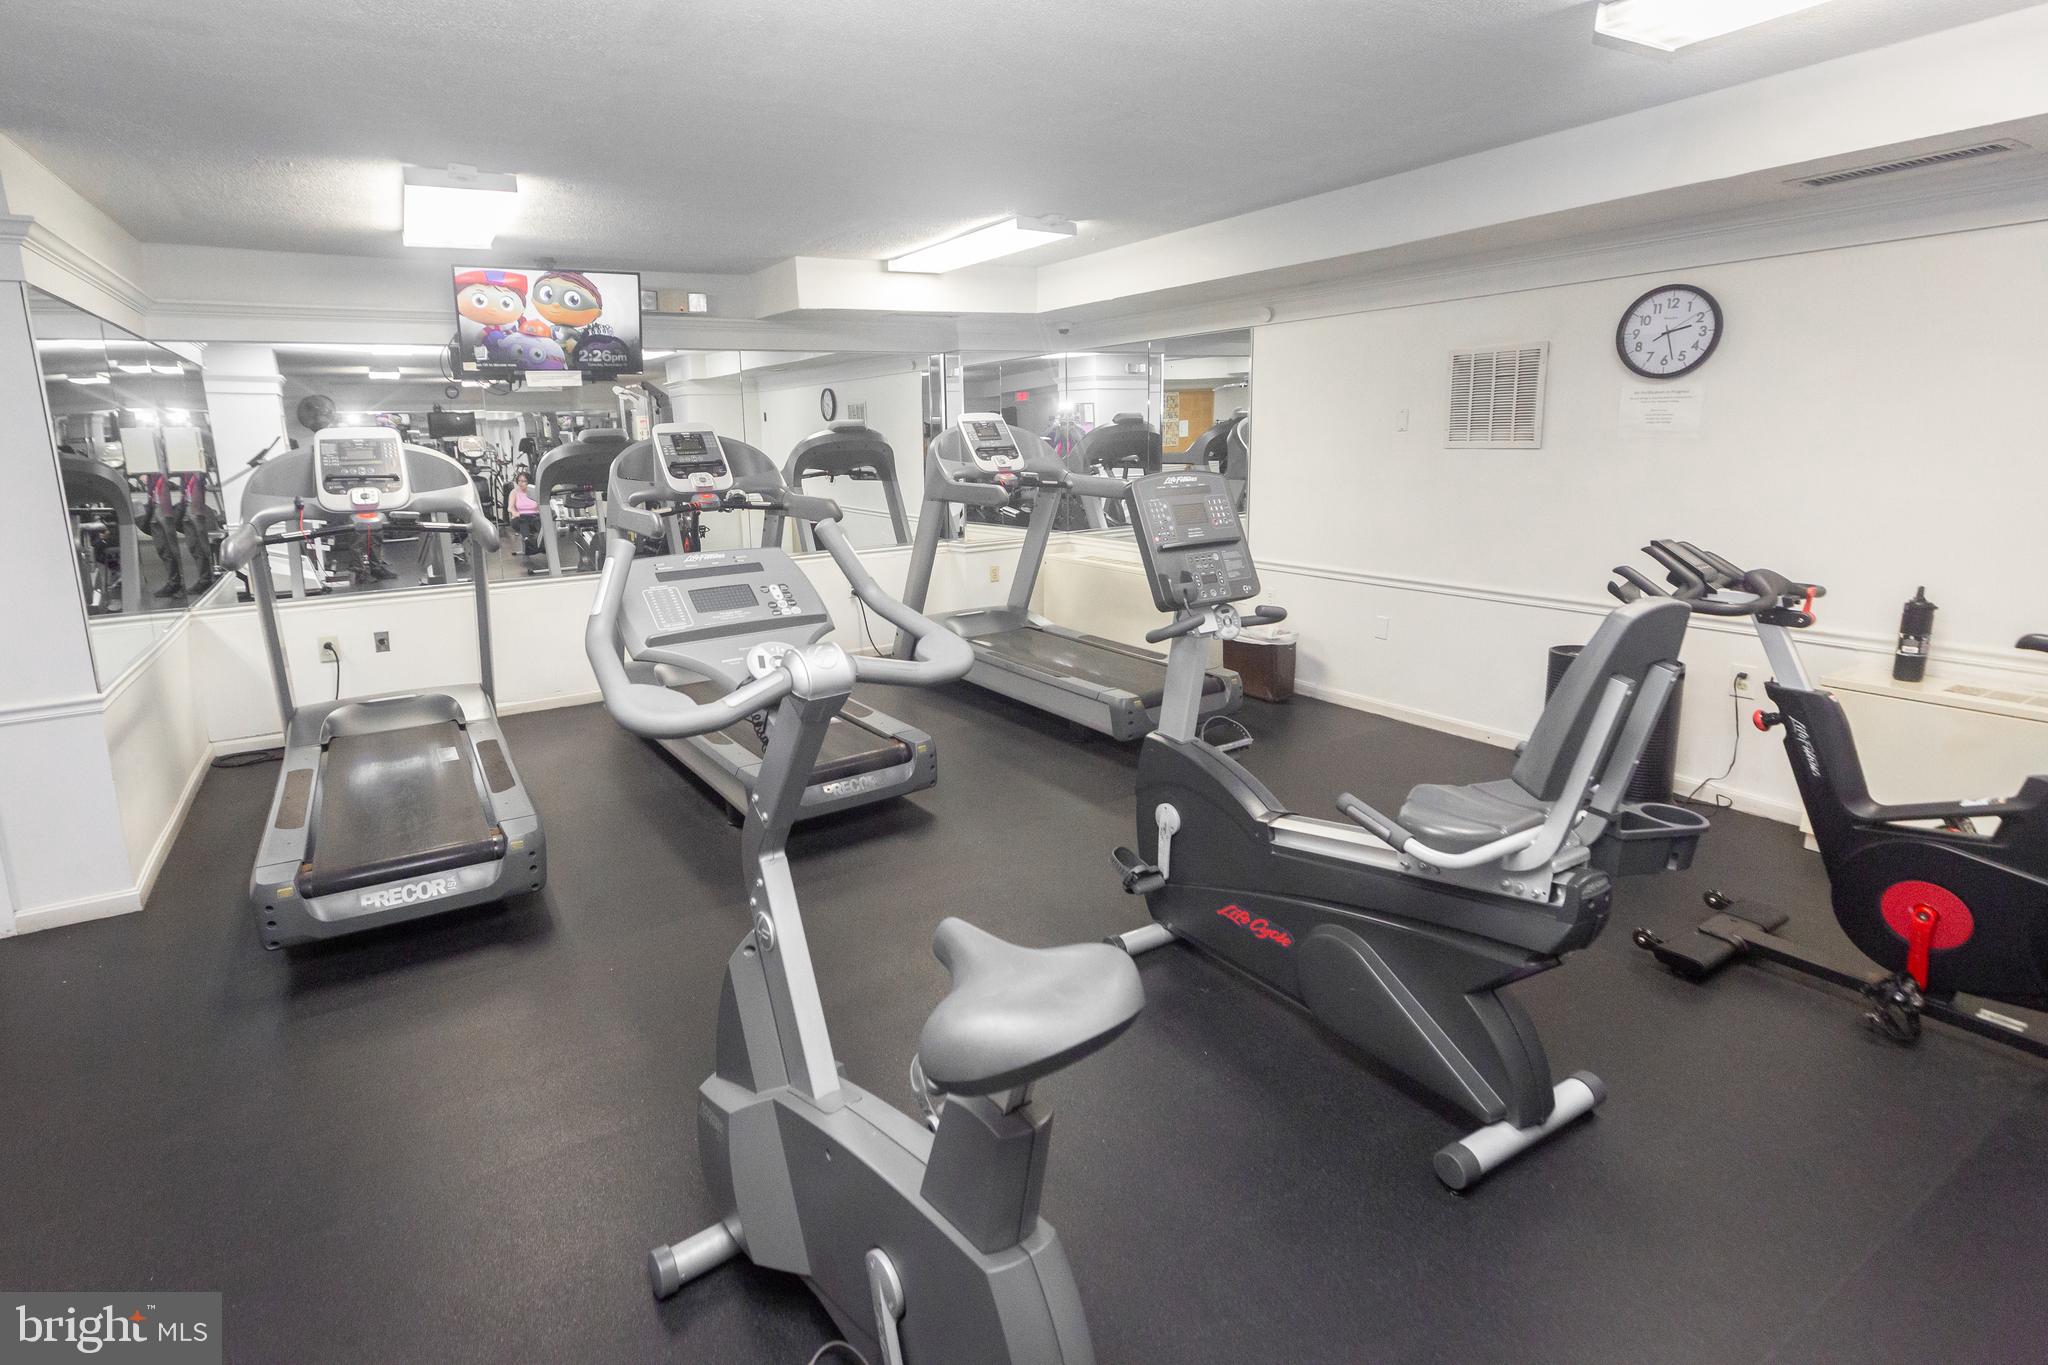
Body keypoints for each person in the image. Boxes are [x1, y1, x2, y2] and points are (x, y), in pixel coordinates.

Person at [507, 471, 543, 558]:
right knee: (523, 520)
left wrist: (538, 513)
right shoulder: (514, 492)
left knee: (539, 522)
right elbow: (510, 508)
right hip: (519, 518)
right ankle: (527, 542)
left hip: (534, 517)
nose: (521, 483)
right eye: (519, 481)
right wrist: (516, 513)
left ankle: (543, 543)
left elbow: (540, 507)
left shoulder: (534, 492)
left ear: (529, 482)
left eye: (524, 481)